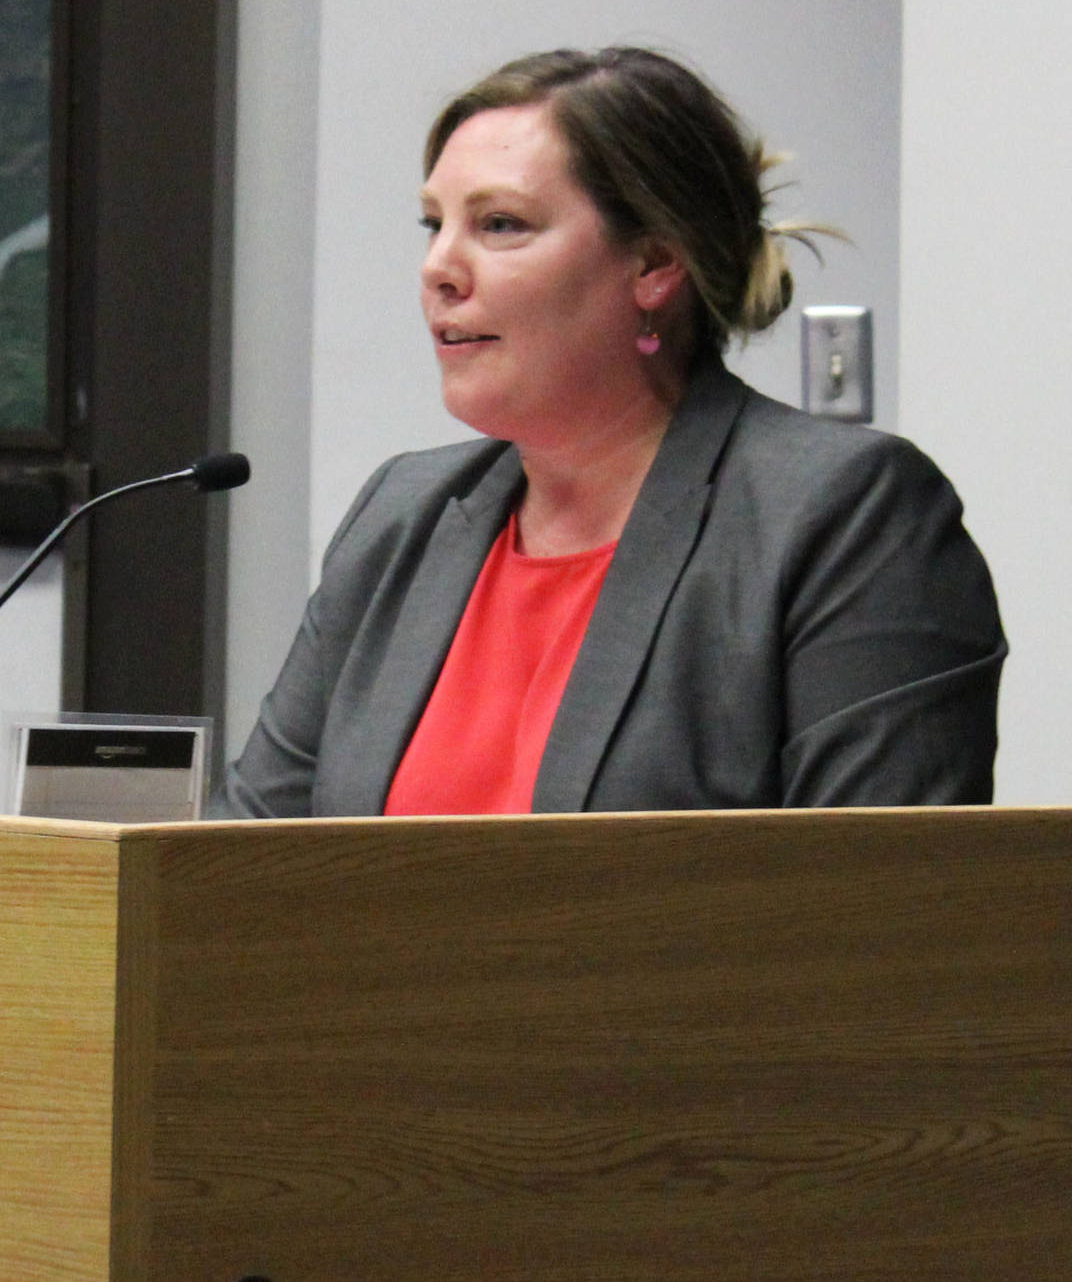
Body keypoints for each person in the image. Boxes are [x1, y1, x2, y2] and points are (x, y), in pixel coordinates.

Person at [215, 46, 1004, 818]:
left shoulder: (844, 516)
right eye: (432, 224)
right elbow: (236, 866)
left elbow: (872, 908)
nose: (439, 269)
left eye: (499, 224)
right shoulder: (402, 515)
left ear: (654, 265)